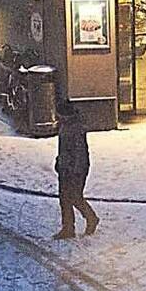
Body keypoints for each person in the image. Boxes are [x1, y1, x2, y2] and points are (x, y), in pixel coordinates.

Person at [53, 101, 99, 240]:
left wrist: (77, 170)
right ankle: (68, 228)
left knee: (74, 196)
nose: (57, 117)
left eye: (59, 114)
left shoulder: (76, 128)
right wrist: (59, 162)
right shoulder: (65, 126)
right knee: (64, 198)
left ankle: (91, 218)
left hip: (75, 169)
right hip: (65, 167)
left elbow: (80, 152)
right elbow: (63, 148)